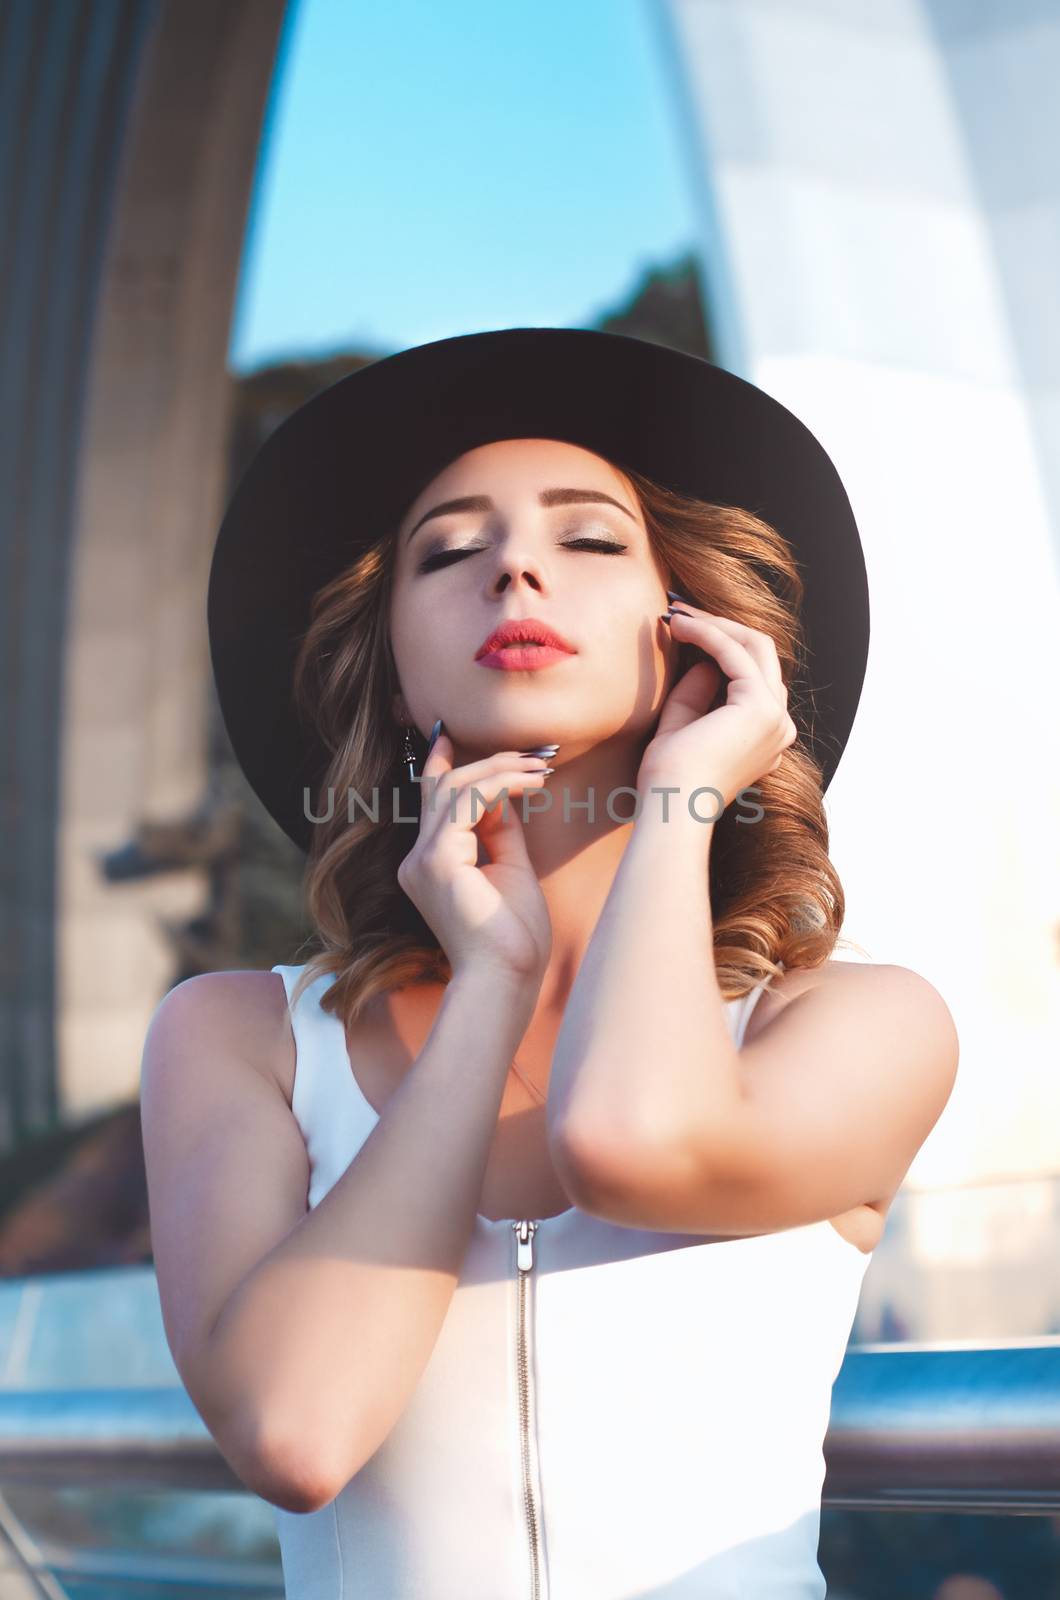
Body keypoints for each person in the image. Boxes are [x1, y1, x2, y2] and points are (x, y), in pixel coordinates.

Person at [140, 328, 959, 1598]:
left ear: (689, 631)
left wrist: (683, 800)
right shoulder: (235, 1035)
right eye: (450, 550)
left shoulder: (858, 1023)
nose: (516, 565)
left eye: (588, 540)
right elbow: (296, 1430)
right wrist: (487, 986)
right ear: (398, 674)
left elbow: (631, 1141)